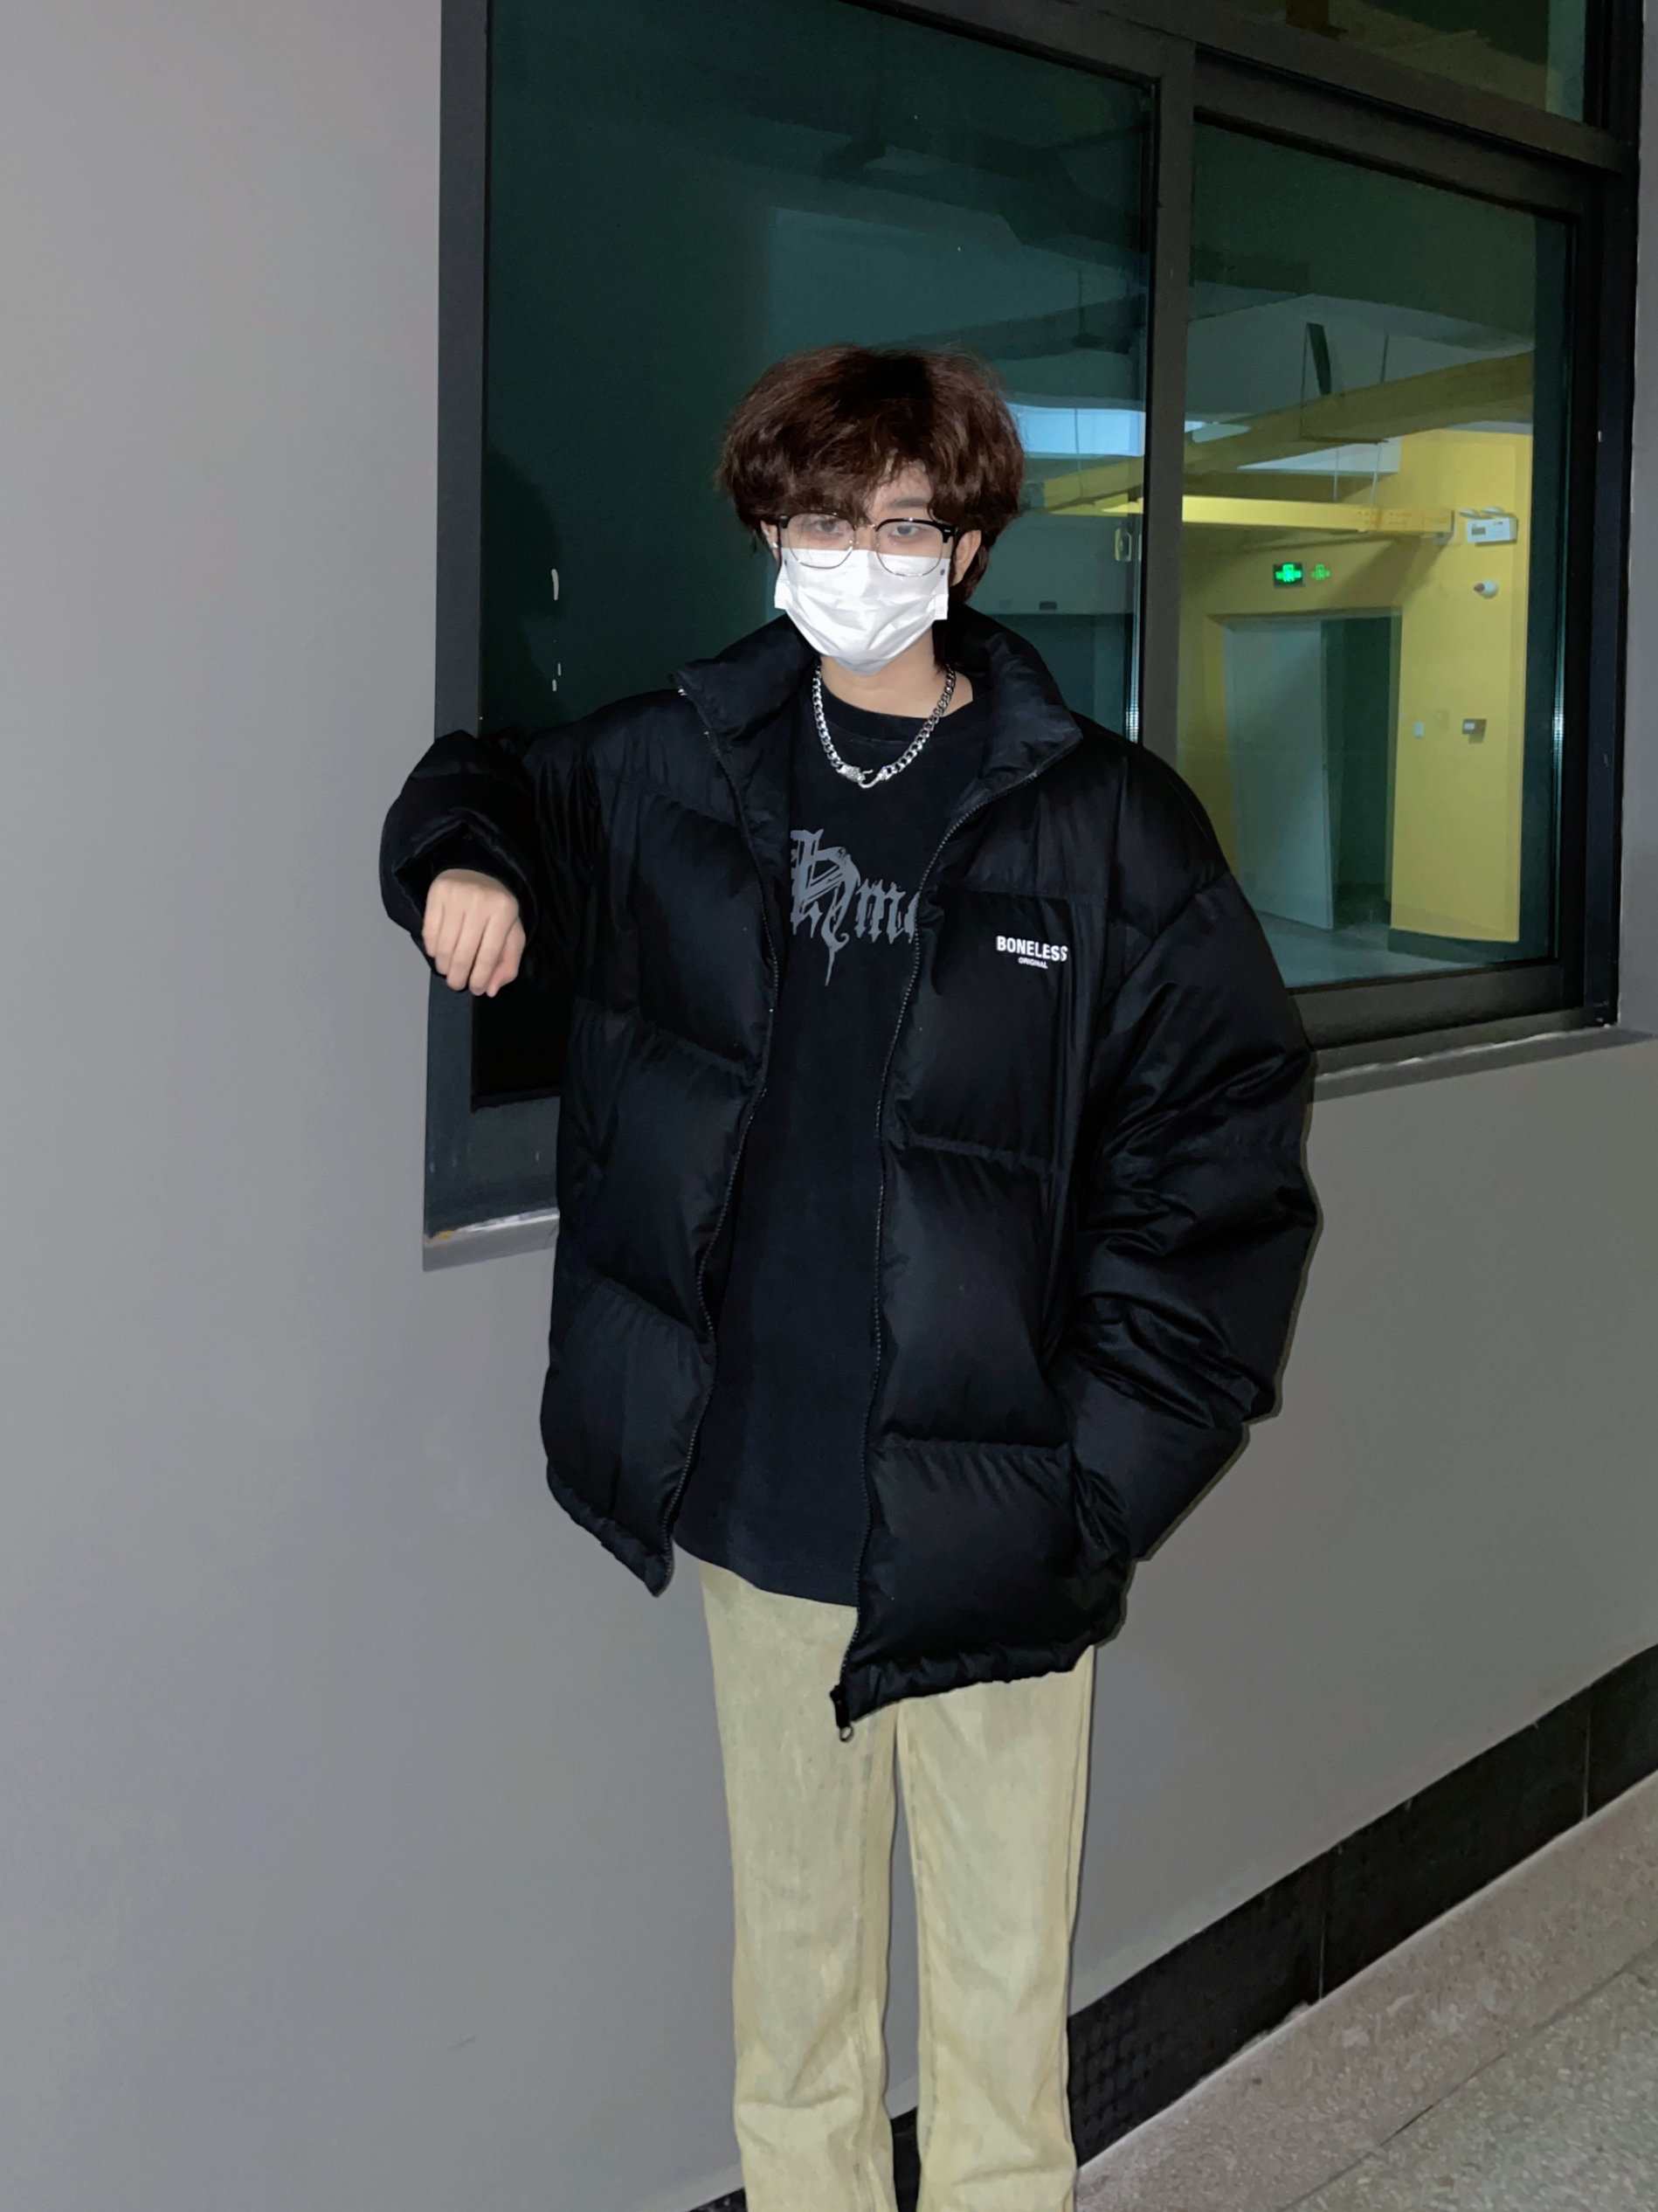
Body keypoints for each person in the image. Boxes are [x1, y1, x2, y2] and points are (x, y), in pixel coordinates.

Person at [380, 345, 1316, 2212]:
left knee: (994, 2027)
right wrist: (464, 864)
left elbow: (1222, 1158)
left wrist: (1091, 1481)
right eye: (821, 521)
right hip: (761, 1497)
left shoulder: (1105, 823)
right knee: (796, 2009)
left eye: (900, 526)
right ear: (768, 532)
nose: (858, 560)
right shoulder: (679, 768)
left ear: (966, 547)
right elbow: (478, 781)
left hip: (997, 1517)